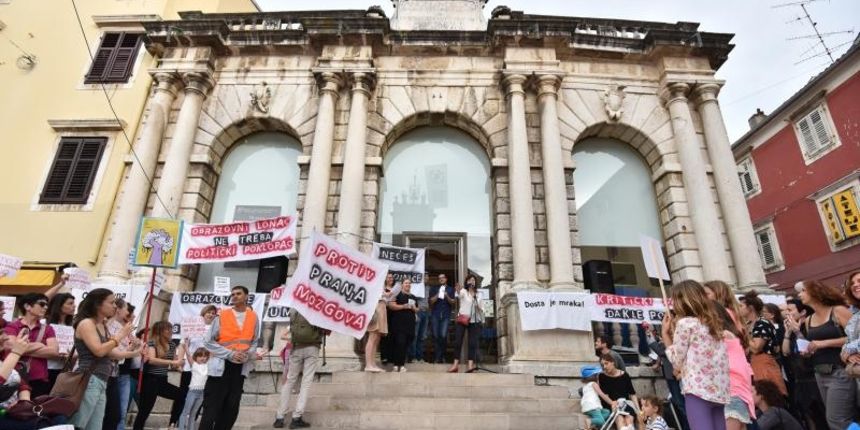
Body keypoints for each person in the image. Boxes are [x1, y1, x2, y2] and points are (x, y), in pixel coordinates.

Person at [663, 280, 730, 430]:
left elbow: (676, 360)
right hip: (719, 389)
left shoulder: (685, 324)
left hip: (697, 389)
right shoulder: (714, 323)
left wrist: (665, 335)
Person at [69, 288, 134, 430]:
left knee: (95, 426)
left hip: (101, 380)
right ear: (98, 304)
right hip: (89, 378)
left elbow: (109, 352)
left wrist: (134, 351)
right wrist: (120, 335)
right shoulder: (86, 323)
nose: (115, 306)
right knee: (79, 425)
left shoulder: (102, 324)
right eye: (111, 303)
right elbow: (98, 351)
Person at [199, 285, 261, 430]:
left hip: (240, 369)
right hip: (221, 368)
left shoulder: (253, 317)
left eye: (238, 293)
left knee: (231, 410)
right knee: (211, 410)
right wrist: (230, 354)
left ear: (246, 296)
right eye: (232, 294)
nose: (234, 296)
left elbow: (254, 340)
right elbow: (208, 341)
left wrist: (247, 355)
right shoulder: (222, 315)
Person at [797, 279, 856, 430]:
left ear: (815, 292)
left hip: (840, 371)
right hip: (820, 373)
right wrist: (808, 351)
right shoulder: (808, 320)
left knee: (836, 420)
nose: (800, 294)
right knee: (839, 419)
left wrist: (824, 343)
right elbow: (815, 345)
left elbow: (855, 337)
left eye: (803, 290)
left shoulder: (837, 311)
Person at [0, 330, 69, 429]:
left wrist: (24, 404)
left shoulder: (4, 356)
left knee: (59, 418)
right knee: (41, 424)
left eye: (4, 333)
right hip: (3, 413)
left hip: (13, 410)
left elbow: (22, 384)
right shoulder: (11, 356)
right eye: (1, 333)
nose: (6, 337)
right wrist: (16, 352)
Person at [273, 308, 325, 429]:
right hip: (312, 347)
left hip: (296, 347)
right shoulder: (319, 308)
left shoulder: (293, 309)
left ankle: (280, 417)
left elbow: (291, 328)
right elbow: (326, 330)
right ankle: (297, 417)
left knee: (290, 380)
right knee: (306, 382)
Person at [3, 293, 60, 397]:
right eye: (42, 304)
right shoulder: (12, 326)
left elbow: (54, 352)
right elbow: (12, 347)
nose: (46, 307)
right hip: (15, 378)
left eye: (47, 305)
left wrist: (22, 347)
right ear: (27, 306)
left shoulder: (48, 328)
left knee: (35, 411)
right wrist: (40, 345)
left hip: (39, 380)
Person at [132, 320, 183, 430]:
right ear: (160, 331)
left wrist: (181, 367)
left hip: (163, 380)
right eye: (167, 329)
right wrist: (172, 363)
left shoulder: (172, 345)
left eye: (171, 328)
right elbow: (151, 360)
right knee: (145, 411)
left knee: (181, 395)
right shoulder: (152, 343)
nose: (170, 331)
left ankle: (172, 423)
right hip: (151, 380)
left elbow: (174, 365)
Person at [173, 304, 218, 425]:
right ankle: (175, 422)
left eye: (213, 313)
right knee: (183, 396)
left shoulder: (215, 329)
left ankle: (190, 423)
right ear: (203, 313)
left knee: (199, 399)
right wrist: (179, 362)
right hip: (189, 367)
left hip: (204, 369)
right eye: (209, 312)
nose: (211, 315)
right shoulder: (192, 326)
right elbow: (183, 345)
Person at [103, 299, 143, 430]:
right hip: (103, 374)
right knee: (106, 414)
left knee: (118, 413)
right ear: (118, 310)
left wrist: (133, 348)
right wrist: (135, 351)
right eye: (127, 310)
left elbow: (120, 355)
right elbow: (113, 353)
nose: (129, 314)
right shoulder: (106, 325)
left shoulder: (124, 329)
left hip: (117, 373)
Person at [739, 291, 787, 396]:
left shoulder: (762, 323)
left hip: (764, 363)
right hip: (752, 364)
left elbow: (756, 347)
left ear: (750, 308)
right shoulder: (748, 324)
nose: (738, 308)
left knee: (770, 396)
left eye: (741, 306)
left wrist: (743, 333)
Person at [642, 323, 689, 430]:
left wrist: (649, 335)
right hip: (670, 375)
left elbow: (662, 351)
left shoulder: (675, 340)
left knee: (681, 405)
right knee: (678, 404)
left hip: (675, 376)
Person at [448, 277, 483, 373]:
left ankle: (470, 366)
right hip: (463, 319)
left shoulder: (478, 294)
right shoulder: (463, 291)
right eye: (470, 280)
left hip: (474, 321)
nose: (472, 281)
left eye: (473, 280)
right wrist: (458, 290)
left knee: (472, 343)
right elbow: (459, 295)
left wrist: (477, 304)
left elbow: (481, 309)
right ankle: (455, 365)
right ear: (467, 282)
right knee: (458, 341)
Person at [593, 352, 637, 429]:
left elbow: (632, 394)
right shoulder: (602, 376)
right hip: (610, 404)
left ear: (612, 362)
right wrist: (613, 404)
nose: (604, 367)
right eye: (602, 365)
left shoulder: (624, 375)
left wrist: (638, 409)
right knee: (620, 419)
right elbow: (605, 395)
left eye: (606, 363)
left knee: (629, 419)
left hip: (624, 403)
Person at [114, 303, 140, 430]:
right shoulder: (115, 329)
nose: (133, 315)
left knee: (122, 412)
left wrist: (137, 346)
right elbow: (117, 353)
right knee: (113, 411)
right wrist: (132, 348)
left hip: (125, 374)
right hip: (113, 374)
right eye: (130, 312)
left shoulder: (130, 332)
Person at [45, 292, 74, 390]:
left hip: (64, 369)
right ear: (59, 305)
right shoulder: (44, 323)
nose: (74, 306)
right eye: (70, 303)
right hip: (46, 369)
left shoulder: (72, 326)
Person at [388, 278, 419, 372]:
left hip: (410, 324)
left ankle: (401, 364)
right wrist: (403, 306)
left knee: (406, 344)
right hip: (399, 324)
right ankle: (397, 364)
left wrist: (414, 308)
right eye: (406, 283)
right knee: (399, 343)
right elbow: (391, 305)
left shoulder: (413, 296)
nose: (408, 284)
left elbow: (417, 309)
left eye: (409, 283)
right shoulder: (397, 294)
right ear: (402, 284)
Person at [178, 347, 210, 430]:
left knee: (194, 413)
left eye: (204, 356)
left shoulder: (208, 366)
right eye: (200, 356)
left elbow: (212, 354)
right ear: (195, 357)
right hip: (192, 392)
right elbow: (188, 355)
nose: (202, 358)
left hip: (202, 393)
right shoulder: (194, 365)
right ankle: (181, 428)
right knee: (186, 412)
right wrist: (186, 346)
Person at [364, 276, 390, 372]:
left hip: (382, 306)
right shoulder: (372, 280)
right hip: (376, 307)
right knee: (372, 336)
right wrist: (385, 294)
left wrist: (386, 295)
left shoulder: (381, 282)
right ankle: (368, 364)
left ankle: (373, 363)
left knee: (377, 338)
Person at [428, 273, 456, 363]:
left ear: (446, 279)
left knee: (443, 336)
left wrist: (446, 295)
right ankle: (438, 357)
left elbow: (453, 303)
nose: (441, 279)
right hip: (435, 315)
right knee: (436, 336)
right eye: (439, 278)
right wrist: (438, 293)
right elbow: (431, 302)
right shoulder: (434, 288)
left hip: (446, 315)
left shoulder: (451, 289)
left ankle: (442, 355)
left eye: (443, 277)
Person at [410, 272, 431, 363]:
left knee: (422, 336)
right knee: (415, 335)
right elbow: (410, 298)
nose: (426, 277)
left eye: (427, 276)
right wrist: (415, 308)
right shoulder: (416, 287)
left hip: (426, 313)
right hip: (418, 313)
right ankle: (413, 357)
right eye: (424, 276)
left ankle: (420, 357)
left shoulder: (428, 287)